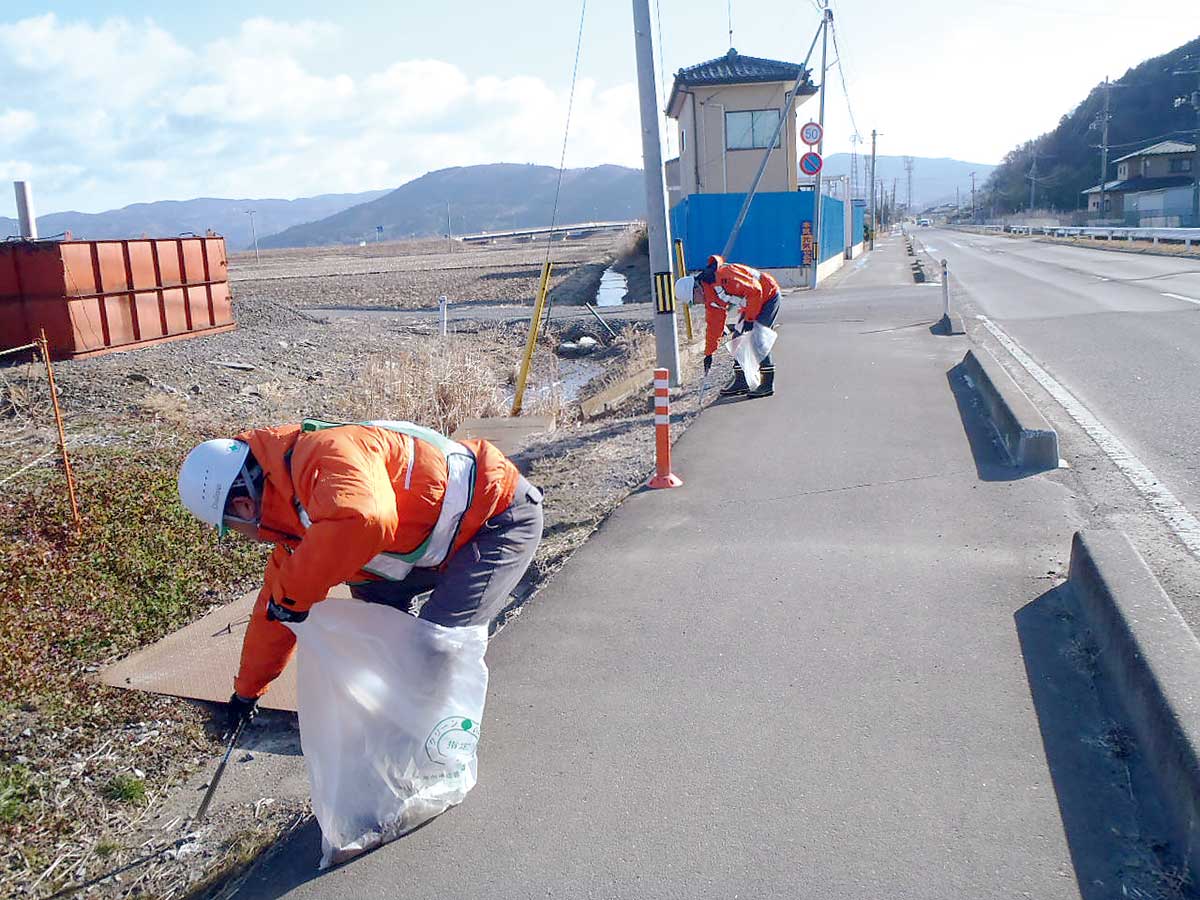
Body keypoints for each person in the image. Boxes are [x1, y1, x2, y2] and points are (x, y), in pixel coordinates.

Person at [176, 419, 543, 732]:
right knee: (378, 641)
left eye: (233, 527)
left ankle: (435, 749)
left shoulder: (322, 454)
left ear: (243, 506)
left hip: (496, 519)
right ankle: (399, 729)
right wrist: (246, 693)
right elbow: (273, 614)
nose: (244, 535)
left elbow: (366, 518)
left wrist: (296, 595)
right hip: (429, 545)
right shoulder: (291, 527)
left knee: (436, 643)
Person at [674, 254, 781, 399]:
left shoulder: (724, 276)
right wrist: (709, 353)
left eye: (693, 301)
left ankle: (767, 383)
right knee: (737, 338)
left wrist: (750, 319)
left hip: (768, 295)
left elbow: (755, 290)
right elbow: (714, 326)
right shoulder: (711, 298)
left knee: (758, 336)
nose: (697, 304)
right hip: (751, 303)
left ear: (696, 289)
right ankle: (742, 381)